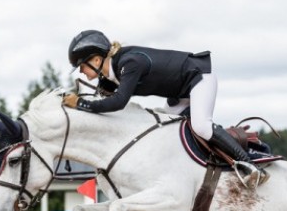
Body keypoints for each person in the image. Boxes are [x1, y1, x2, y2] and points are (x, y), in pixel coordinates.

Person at [63, 30, 259, 188]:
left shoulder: (129, 63)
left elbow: (118, 103)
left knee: (201, 126)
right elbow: (107, 98)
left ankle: (249, 165)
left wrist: (80, 104)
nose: (82, 72)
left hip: (199, 78)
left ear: (96, 60)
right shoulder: (114, 71)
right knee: (163, 129)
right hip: (179, 94)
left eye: (82, 66)